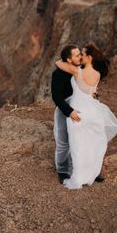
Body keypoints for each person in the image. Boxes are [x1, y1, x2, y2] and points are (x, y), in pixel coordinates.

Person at [55, 42, 117, 189]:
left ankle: (78, 176)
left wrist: (65, 60)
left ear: (89, 57)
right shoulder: (97, 74)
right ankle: (92, 173)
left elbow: (59, 63)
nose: (81, 56)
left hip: (77, 112)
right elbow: (92, 92)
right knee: (92, 143)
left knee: (78, 144)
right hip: (93, 111)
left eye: (83, 54)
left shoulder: (77, 71)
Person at [50, 44, 82, 184]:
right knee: (63, 141)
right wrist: (69, 112)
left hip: (83, 108)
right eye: (77, 55)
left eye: (80, 54)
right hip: (65, 110)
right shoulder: (57, 74)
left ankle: (88, 169)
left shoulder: (82, 69)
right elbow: (56, 97)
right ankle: (63, 171)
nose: (80, 56)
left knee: (85, 140)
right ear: (69, 60)